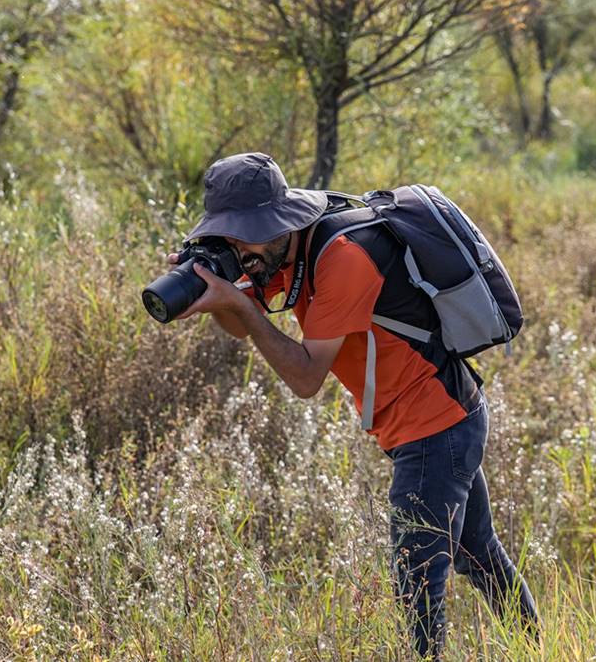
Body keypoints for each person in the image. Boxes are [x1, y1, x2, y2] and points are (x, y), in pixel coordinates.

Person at [165, 152, 537, 659]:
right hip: (435, 418)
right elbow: (238, 317)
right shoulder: (275, 251)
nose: (238, 248)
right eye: (227, 238)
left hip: (436, 424)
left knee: (417, 579)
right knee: (479, 554)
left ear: (278, 222)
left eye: (244, 236)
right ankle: (541, 646)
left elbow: (304, 377)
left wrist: (238, 304)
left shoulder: (343, 258)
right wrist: (215, 292)